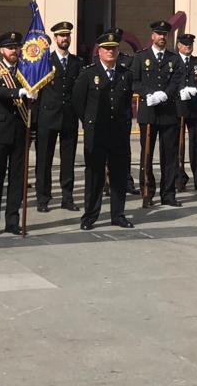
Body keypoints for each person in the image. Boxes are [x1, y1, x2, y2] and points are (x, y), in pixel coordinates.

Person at [72, 30, 135, 230]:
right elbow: (78, 102)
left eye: (114, 48)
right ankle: (90, 215)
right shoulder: (88, 74)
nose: (110, 52)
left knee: (118, 175)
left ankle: (118, 214)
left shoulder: (125, 74)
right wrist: (89, 122)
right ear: (99, 51)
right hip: (96, 133)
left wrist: (125, 124)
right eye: (107, 49)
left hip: (118, 133)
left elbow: (126, 104)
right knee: (94, 176)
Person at [0, 31, 32, 236]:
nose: (15, 51)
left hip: (20, 130)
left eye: (17, 47)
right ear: (2, 50)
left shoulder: (26, 71)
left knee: (17, 180)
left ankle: (12, 220)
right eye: (10, 47)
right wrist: (18, 92)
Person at [131, 20, 180, 207]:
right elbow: (134, 81)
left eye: (165, 34)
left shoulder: (173, 58)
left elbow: (177, 80)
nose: (162, 37)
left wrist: (164, 94)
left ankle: (168, 193)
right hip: (148, 112)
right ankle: (147, 191)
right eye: (159, 34)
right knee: (147, 155)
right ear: (152, 36)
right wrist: (148, 94)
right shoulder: (141, 57)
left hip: (168, 112)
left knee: (169, 155)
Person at [35, 21, 83, 212]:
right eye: (61, 36)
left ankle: (67, 197)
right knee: (44, 160)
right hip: (47, 116)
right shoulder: (45, 61)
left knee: (68, 160)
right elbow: (37, 90)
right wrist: (34, 120)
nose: (65, 39)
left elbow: (79, 92)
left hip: (69, 117)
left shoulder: (77, 62)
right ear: (55, 39)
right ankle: (43, 198)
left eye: (67, 35)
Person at [172, 33, 197, 192]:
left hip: (194, 107)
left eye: (190, 44)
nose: (188, 46)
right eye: (185, 44)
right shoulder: (172, 61)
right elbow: (169, 80)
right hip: (177, 107)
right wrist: (180, 90)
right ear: (179, 46)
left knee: (196, 144)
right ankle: (178, 177)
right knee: (176, 145)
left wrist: (194, 89)